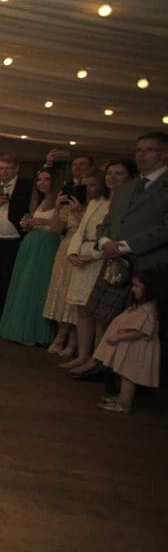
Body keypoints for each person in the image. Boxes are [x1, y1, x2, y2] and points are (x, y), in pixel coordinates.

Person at [73, 133, 168, 378]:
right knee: (107, 317)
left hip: (149, 265)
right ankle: (102, 365)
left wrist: (125, 245)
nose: (142, 155)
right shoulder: (126, 188)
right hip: (115, 263)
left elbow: (164, 228)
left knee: (137, 325)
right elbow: (107, 221)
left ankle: (129, 379)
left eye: (149, 150)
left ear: (164, 154)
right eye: (138, 149)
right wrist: (105, 241)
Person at [61, 164, 130, 372]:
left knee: (99, 313)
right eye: (109, 173)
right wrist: (72, 252)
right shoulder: (95, 203)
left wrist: (93, 255)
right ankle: (83, 355)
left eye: (118, 174)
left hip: (101, 259)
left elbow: (116, 237)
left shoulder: (122, 204)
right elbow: (81, 230)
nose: (112, 178)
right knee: (81, 310)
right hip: (83, 255)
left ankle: (96, 359)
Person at [0, 169, 60, 345]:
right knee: (24, 284)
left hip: (47, 244)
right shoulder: (40, 201)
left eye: (46, 179)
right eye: (39, 179)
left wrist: (42, 222)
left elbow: (57, 228)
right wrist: (28, 224)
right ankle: (20, 327)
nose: (42, 183)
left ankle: (36, 330)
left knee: (38, 285)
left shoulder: (59, 202)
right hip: (32, 243)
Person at [96, 271, 161, 413]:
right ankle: (121, 397)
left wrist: (118, 338)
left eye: (137, 286)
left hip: (137, 350)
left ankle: (125, 402)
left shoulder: (147, 311)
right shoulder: (141, 307)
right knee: (124, 374)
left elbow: (141, 331)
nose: (133, 289)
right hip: (131, 348)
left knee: (128, 376)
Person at [0, 154, 34, 323]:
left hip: (14, 239)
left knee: (9, 277)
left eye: (6, 168)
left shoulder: (27, 187)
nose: (3, 172)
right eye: (0, 168)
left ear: (16, 169)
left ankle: (9, 313)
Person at [42, 175, 86, 356]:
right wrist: (58, 208)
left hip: (82, 248)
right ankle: (60, 335)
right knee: (62, 292)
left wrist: (78, 211)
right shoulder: (66, 208)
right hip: (65, 248)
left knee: (76, 295)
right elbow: (54, 229)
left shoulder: (91, 207)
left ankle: (74, 341)